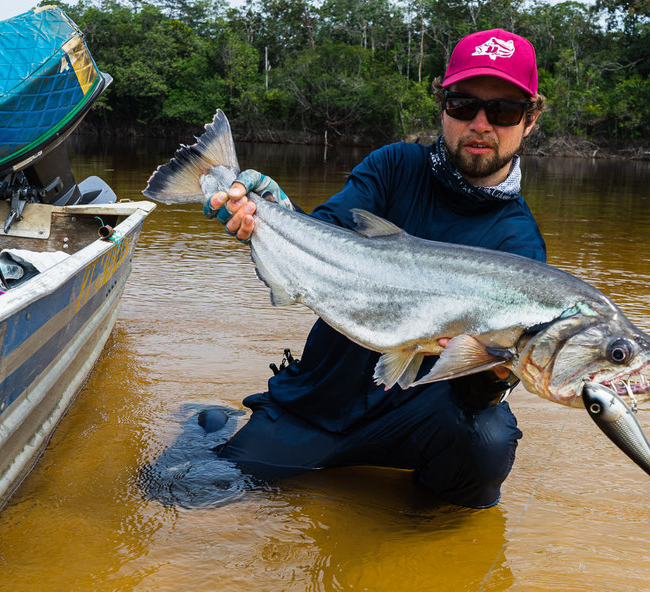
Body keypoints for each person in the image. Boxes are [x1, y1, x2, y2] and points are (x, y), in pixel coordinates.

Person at [206, 29, 547, 509]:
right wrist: (273, 211)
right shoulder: (394, 165)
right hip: (318, 403)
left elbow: (472, 399)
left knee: (486, 442)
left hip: (412, 419)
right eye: (463, 104)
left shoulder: (521, 247)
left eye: (504, 110)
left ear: (529, 120)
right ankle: (204, 421)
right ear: (442, 106)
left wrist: (495, 370)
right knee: (192, 490)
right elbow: (325, 233)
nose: (481, 124)